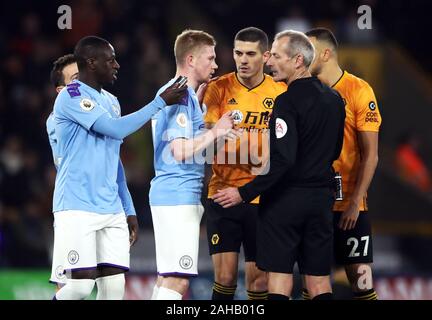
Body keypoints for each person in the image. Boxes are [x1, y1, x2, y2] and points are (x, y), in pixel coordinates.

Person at [213, 30, 345, 300]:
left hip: (286, 203)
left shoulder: (286, 101)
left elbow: (284, 159)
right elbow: (334, 150)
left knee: (279, 279)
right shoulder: (334, 99)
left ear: (298, 60)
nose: (270, 61)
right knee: (319, 281)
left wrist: (244, 192)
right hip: (321, 201)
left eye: (277, 56)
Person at [51, 36, 186, 300]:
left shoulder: (112, 100)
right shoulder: (71, 95)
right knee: (79, 287)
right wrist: (160, 102)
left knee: (113, 290)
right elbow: (114, 128)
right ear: (91, 62)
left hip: (111, 207)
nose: (117, 65)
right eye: (110, 59)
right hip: (77, 205)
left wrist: (129, 208)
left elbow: (114, 161)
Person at [149, 29, 236, 300]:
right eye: (209, 58)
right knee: (178, 281)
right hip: (177, 196)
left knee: (167, 277)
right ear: (190, 59)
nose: (216, 64)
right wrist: (216, 131)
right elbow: (179, 150)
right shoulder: (180, 95)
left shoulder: (182, 94)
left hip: (172, 194)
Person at [203, 27, 286, 300]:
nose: (243, 60)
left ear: (265, 56)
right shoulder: (218, 89)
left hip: (264, 198)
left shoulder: (281, 91)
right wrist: (217, 135)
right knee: (225, 277)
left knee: (259, 281)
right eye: (238, 53)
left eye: (250, 54)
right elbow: (207, 145)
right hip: (223, 194)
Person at [304, 27, 381, 300]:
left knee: (361, 280)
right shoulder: (300, 91)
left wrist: (355, 201)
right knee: (312, 283)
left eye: (308, 50)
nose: (301, 56)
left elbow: (371, 154)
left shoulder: (359, 90)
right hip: (313, 203)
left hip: (350, 206)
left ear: (325, 53)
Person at [46, 54, 78, 289]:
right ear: (60, 91)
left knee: (108, 282)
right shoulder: (56, 120)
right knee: (69, 284)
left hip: (103, 206)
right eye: (76, 79)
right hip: (72, 206)